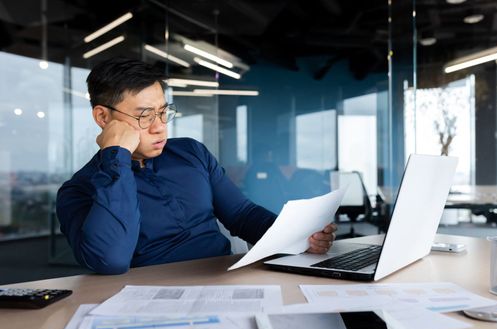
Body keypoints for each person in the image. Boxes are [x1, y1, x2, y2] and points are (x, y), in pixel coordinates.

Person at [56, 57, 337, 275]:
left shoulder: (190, 152)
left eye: (164, 112)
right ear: (103, 117)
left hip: (227, 278)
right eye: (144, 116)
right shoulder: (79, 191)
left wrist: (297, 239)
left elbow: (242, 214)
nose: (160, 127)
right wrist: (115, 155)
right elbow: (111, 260)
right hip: (153, 300)